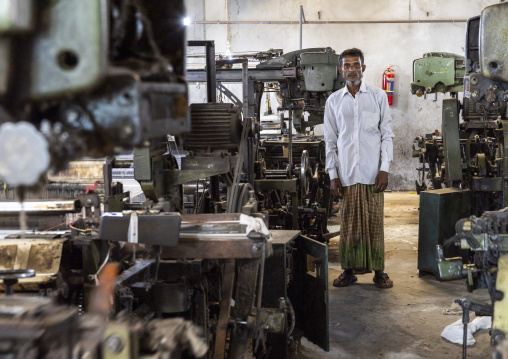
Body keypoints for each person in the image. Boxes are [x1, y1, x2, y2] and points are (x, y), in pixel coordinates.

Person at [324, 48, 394, 288]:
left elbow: (387, 135)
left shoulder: (378, 96)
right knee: (348, 224)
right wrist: (333, 174)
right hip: (346, 173)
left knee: (374, 223)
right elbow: (330, 141)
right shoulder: (333, 101)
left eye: (356, 65)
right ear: (341, 70)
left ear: (363, 69)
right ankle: (348, 270)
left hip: (372, 173)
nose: (352, 69)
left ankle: (379, 271)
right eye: (347, 65)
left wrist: (384, 168)